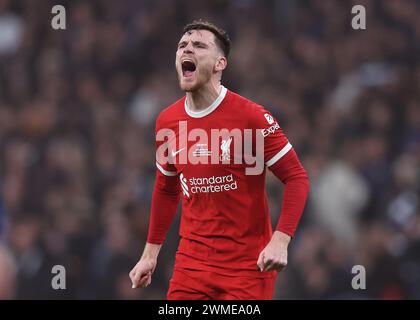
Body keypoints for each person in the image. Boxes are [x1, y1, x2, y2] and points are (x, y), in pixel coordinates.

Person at [129, 20, 310, 300]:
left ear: (219, 64)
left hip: (247, 269)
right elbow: (166, 189)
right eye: (182, 46)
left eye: (199, 45)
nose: (187, 49)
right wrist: (149, 255)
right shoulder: (168, 122)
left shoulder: (251, 117)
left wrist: (280, 240)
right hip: (191, 266)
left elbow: (296, 178)